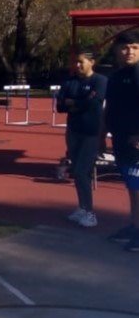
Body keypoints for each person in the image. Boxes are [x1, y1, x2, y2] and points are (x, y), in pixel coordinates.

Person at [56, 49, 107, 228]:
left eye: (81, 62)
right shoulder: (69, 82)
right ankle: (82, 207)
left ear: (92, 62)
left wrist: (74, 103)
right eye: (75, 62)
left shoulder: (100, 80)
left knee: (81, 171)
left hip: (91, 132)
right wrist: (77, 103)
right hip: (73, 131)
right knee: (76, 171)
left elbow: (93, 103)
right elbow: (60, 105)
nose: (77, 65)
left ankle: (90, 212)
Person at [104, 30, 139, 252]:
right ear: (117, 50)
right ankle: (134, 226)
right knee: (132, 187)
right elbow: (109, 108)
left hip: (136, 143)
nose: (129, 52)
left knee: (138, 188)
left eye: (135, 48)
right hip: (121, 140)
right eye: (125, 47)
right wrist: (101, 135)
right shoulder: (116, 77)